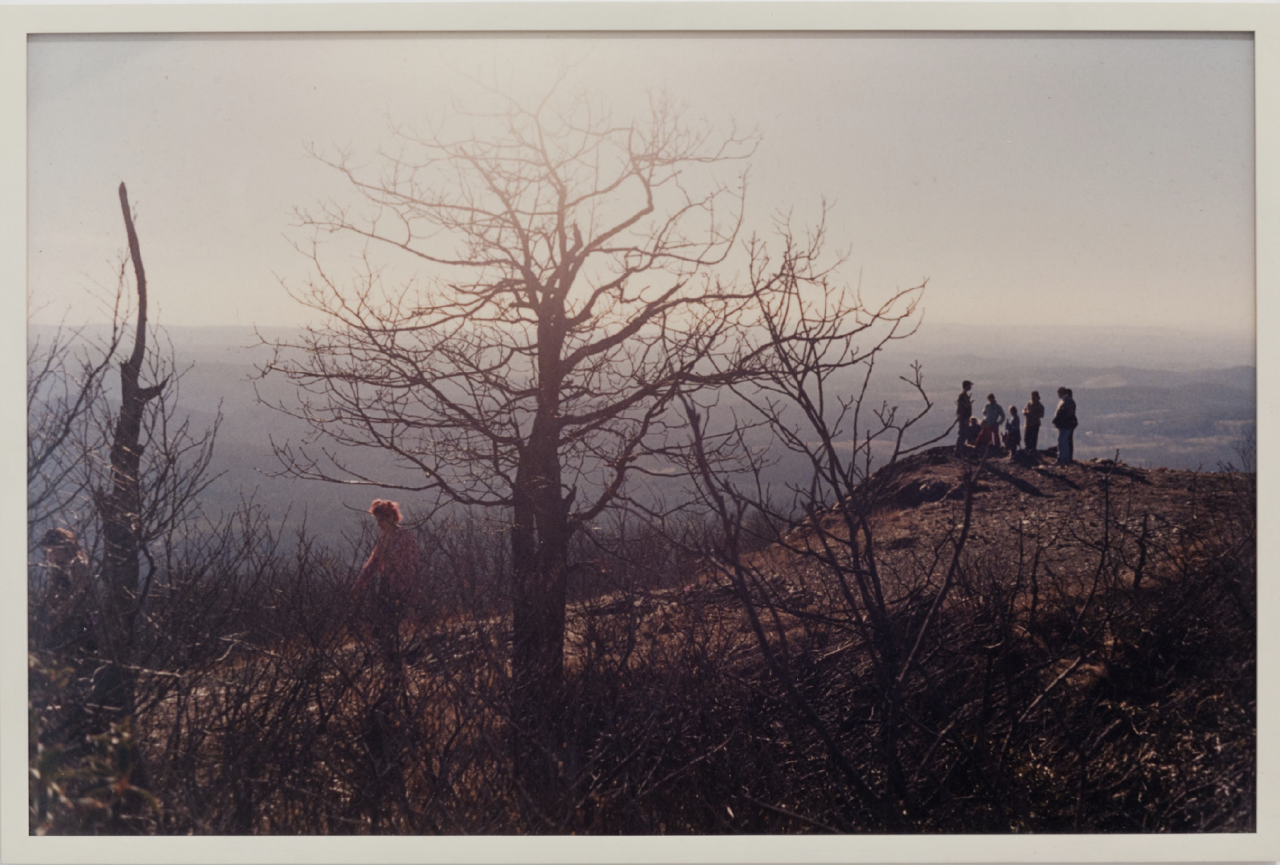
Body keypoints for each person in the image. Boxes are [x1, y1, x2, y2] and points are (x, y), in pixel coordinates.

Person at [36, 528, 97, 658]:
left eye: (54, 550)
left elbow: (80, 594)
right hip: (63, 621)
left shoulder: (77, 564)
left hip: (78, 620)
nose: (52, 555)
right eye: (49, 551)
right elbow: (53, 594)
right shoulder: (58, 568)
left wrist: (60, 612)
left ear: (65, 547)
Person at [1052, 387, 1078, 465]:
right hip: (1064, 424)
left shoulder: (1067, 401)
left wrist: (1060, 419)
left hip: (1066, 424)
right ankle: (1063, 458)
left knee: (1063, 441)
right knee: (1063, 441)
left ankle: (1063, 458)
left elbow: (1068, 413)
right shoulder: (1065, 400)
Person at [955, 380, 974, 455]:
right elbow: (964, 408)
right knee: (963, 433)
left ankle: (960, 449)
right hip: (964, 418)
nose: (970, 387)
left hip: (965, 417)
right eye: (969, 385)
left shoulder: (964, 395)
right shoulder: (962, 396)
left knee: (964, 433)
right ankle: (958, 450)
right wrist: (965, 418)